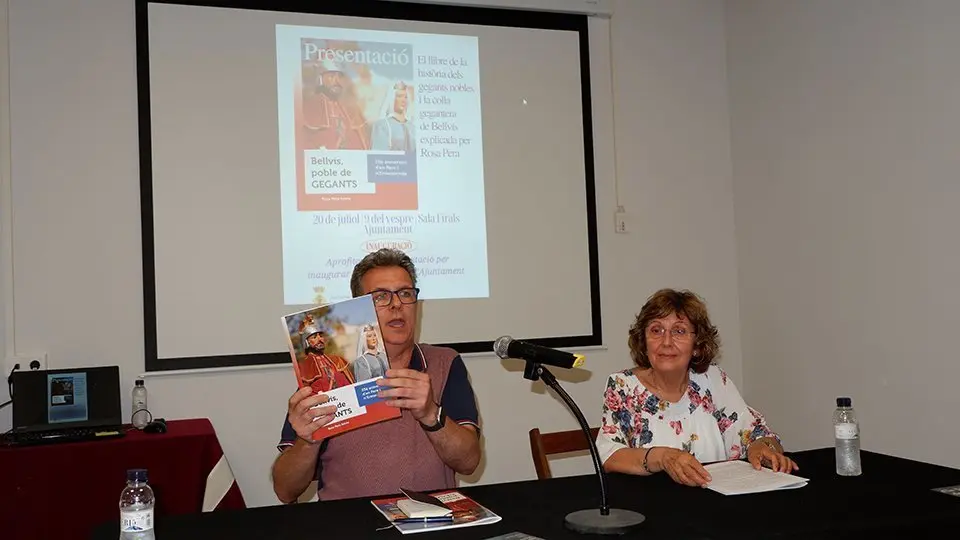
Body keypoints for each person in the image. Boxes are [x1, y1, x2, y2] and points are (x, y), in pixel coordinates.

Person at [271, 248, 482, 503]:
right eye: (381, 297)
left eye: (405, 294)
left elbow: (469, 462)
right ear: (358, 308)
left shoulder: (445, 363)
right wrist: (308, 440)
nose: (396, 305)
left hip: (429, 524)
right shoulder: (330, 374)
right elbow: (285, 490)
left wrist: (430, 414)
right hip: (350, 527)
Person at [595, 288, 798, 488]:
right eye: (656, 330)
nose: (666, 342)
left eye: (679, 331)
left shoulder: (712, 379)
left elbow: (757, 434)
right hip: (653, 507)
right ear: (643, 340)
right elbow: (610, 456)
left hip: (714, 504)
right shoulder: (624, 386)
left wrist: (762, 447)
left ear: (697, 345)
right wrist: (663, 457)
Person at [301, 57, 370, 150]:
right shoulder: (308, 107)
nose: (337, 82)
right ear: (320, 77)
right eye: (332, 76)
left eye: (340, 77)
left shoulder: (352, 110)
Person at [295, 318, 355, 393]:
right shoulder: (303, 367)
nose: (320, 339)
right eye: (314, 337)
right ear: (307, 342)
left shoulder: (337, 360)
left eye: (320, 336)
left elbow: (350, 385)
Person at [370, 81, 415, 152]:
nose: (403, 100)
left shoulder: (413, 127)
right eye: (399, 96)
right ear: (392, 99)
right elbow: (378, 154)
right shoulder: (382, 125)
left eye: (405, 97)